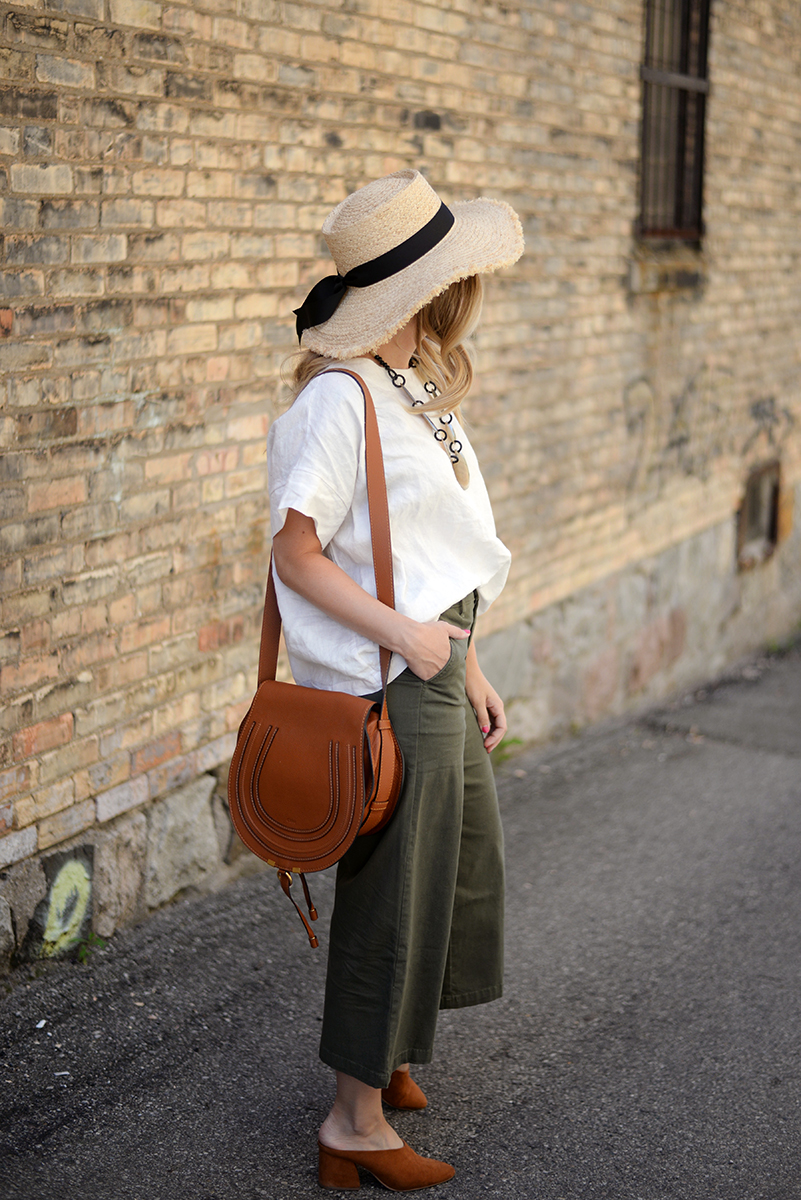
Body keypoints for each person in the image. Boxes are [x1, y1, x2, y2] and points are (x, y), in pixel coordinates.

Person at [267, 169, 524, 1191]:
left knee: (456, 868)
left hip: (441, 657)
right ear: (418, 288)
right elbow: (296, 556)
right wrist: (415, 645)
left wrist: (474, 660)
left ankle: (392, 1058)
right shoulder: (338, 401)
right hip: (394, 673)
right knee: (392, 893)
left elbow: (434, 546)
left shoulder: (415, 383)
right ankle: (352, 1122)